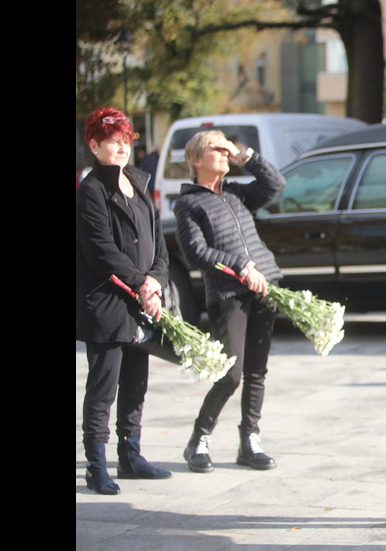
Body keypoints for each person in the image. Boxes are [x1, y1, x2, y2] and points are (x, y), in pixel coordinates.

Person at [174, 130, 285, 474]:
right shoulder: (188, 203)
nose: (224, 153)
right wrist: (241, 267)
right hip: (228, 294)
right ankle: (199, 438)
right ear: (196, 160)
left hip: (264, 286)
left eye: (226, 148)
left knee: (256, 372)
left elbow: (275, 184)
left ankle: (249, 441)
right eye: (216, 148)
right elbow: (196, 253)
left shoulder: (236, 193)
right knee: (231, 374)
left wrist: (244, 155)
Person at [76, 106, 172, 495]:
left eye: (125, 141)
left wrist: (156, 281)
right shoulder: (90, 190)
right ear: (94, 145)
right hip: (107, 302)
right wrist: (141, 284)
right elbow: (100, 250)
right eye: (112, 141)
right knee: (104, 387)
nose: (121, 148)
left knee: (136, 383)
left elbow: (159, 244)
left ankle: (130, 455)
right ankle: (96, 466)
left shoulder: (138, 182)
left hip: (141, 303)